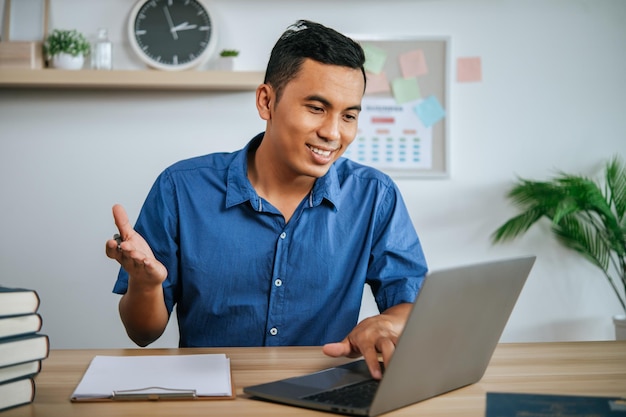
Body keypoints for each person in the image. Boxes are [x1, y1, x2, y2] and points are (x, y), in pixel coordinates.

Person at [105, 20, 427, 380]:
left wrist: (387, 323)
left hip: (321, 394)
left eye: (349, 115)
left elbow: (410, 303)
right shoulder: (180, 189)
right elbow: (142, 334)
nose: (333, 133)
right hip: (211, 398)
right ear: (266, 101)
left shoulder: (375, 196)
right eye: (317, 108)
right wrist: (146, 285)